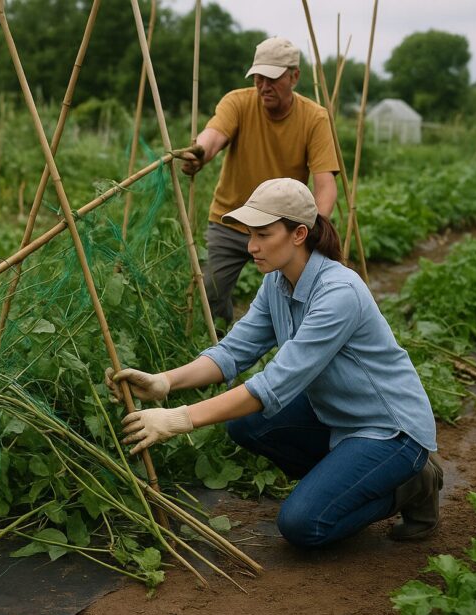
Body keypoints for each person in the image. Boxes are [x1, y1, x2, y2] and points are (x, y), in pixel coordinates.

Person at [105, 178, 443, 547]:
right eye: (250, 234)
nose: (251, 246)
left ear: (299, 233)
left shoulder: (338, 293)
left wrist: (178, 419)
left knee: (302, 525)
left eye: (263, 234)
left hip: (388, 429)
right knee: (245, 424)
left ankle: (412, 485)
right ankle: (345, 478)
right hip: (335, 414)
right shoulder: (278, 283)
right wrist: (165, 382)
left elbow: (272, 386)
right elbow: (233, 352)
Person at [181, 36, 339, 328]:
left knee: (291, 302)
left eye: (272, 78)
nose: (264, 86)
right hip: (231, 219)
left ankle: (288, 351)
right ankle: (216, 343)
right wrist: (199, 155)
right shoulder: (238, 103)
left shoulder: (313, 118)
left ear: (294, 76)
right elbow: (214, 136)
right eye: (258, 77)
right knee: (211, 294)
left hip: (281, 227)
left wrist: (313, 228)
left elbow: (325, 185)